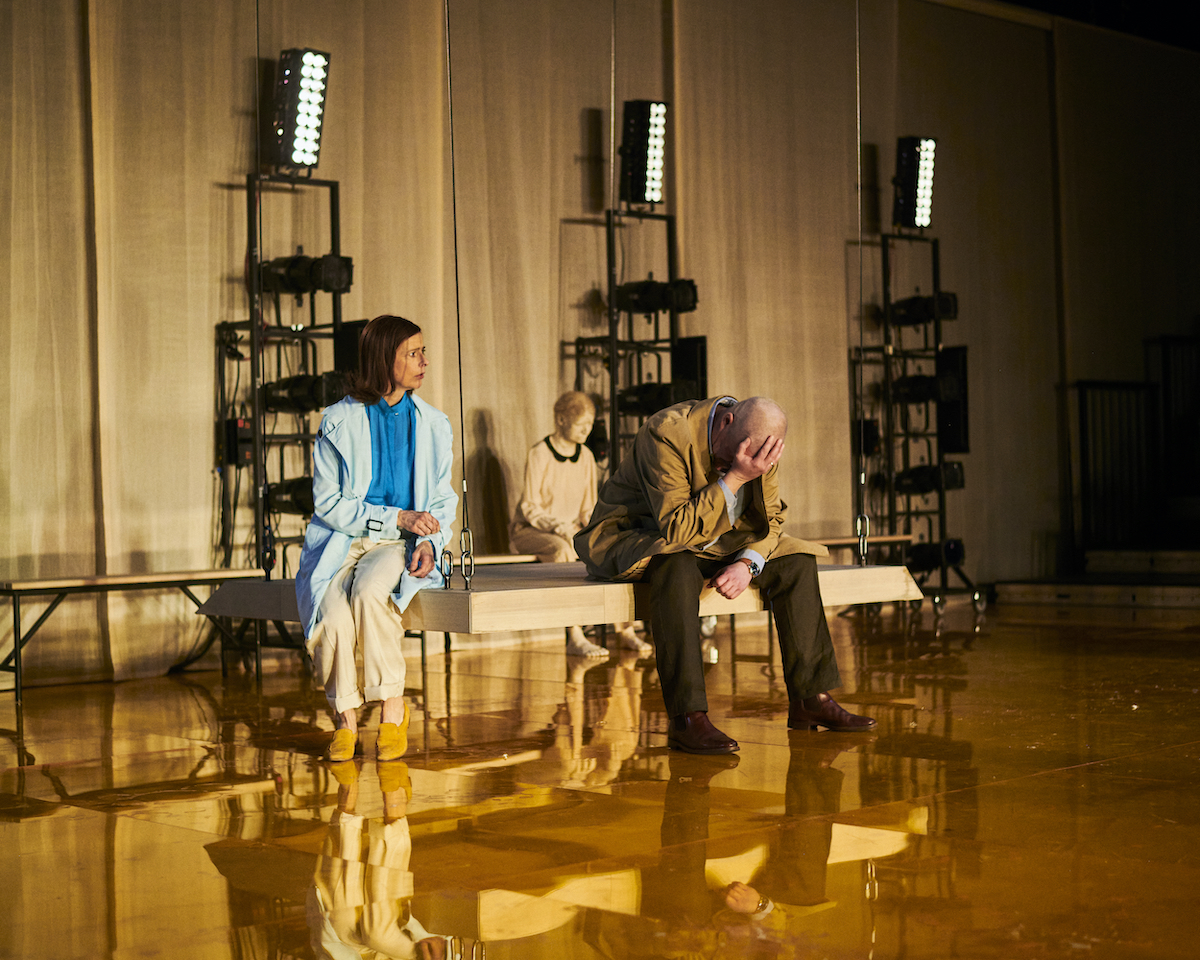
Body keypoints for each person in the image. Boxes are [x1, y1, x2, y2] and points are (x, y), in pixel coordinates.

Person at [574, 396, 875, 755]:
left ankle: (811, 698)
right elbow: (678, 530)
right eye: (734, 457)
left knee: (796, 561)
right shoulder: (666, 433)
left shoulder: (760, 445)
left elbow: (773, 520)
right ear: (727, 422)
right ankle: (687, 718)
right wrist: (737, 477)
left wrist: (748, 564)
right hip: (642, 536)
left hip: (718, 541)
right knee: (676, 565)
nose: (741, 464)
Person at [296, 315, 458, 763]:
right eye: (413, 353)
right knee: (331, 616)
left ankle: (391, 708)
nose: (424, 362)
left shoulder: (434, 424)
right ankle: (345, 719)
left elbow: (442, 500)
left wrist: (429, 542)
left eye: (423, 351)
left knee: (370, 593)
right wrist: (398, 516)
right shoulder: (337, 421)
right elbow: (328, 504)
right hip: (340, 541)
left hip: (395, 544)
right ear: (385, 360)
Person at [509, 390, 651, 658]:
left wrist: (602, 532)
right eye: (580, 425)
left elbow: (588, 507)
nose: (587, 431)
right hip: (533, 530)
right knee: (562, 550)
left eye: (589, 425)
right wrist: (559, 526)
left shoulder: (585, 455)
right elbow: (530, 506)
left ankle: (625, 631)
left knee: (613, 549)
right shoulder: (540, 453)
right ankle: (574, 634)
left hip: (571, 530)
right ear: (561, 420)